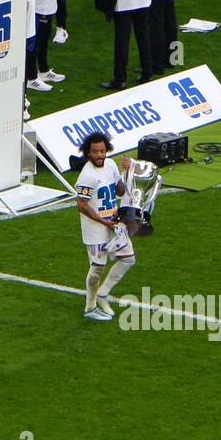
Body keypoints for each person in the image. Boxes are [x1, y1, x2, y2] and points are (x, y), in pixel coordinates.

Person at [74, 132, 137, 321]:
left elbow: (119, 190)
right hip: (96, 229)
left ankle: (103, 294)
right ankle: (90, 307)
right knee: (97, 269)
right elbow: (81, 205)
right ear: (88, 153)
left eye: (102, 151)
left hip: (114, 224)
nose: (100, 155)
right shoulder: (87, 175)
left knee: (128, 259)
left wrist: (125, 172)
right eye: (95, 152)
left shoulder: (109, 165)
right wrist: (103, 221)